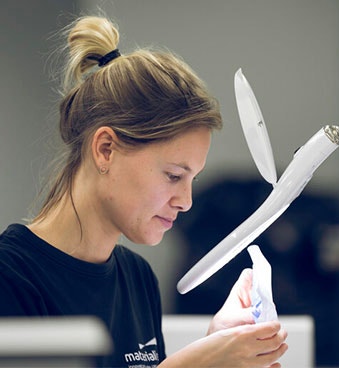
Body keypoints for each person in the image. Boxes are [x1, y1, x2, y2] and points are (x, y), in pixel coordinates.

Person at [0, 15, 288, 367]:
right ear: (106, 149)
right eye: (172, 176)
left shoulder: (138, 279)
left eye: (191, 180)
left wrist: (219, 346)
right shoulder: (12, 277)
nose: (186, 202)